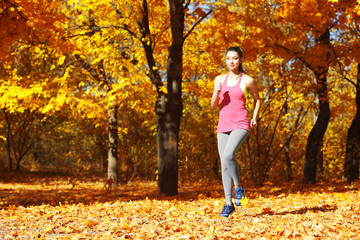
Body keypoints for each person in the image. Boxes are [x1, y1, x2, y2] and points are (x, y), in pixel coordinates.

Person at [210, 46, 261, 217]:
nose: (231, 61)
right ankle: (228, 203)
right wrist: (216, 93)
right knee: (224, 164)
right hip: (223, 124)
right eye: (228, 58)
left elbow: (258, 99)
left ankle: (238, 187)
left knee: (228, 155)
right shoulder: (219, 79)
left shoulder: (247, 80)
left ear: (240, 60)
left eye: (235, 58)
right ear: (225, 60)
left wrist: (254, 117)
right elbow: (213, 106)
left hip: (241, 122)